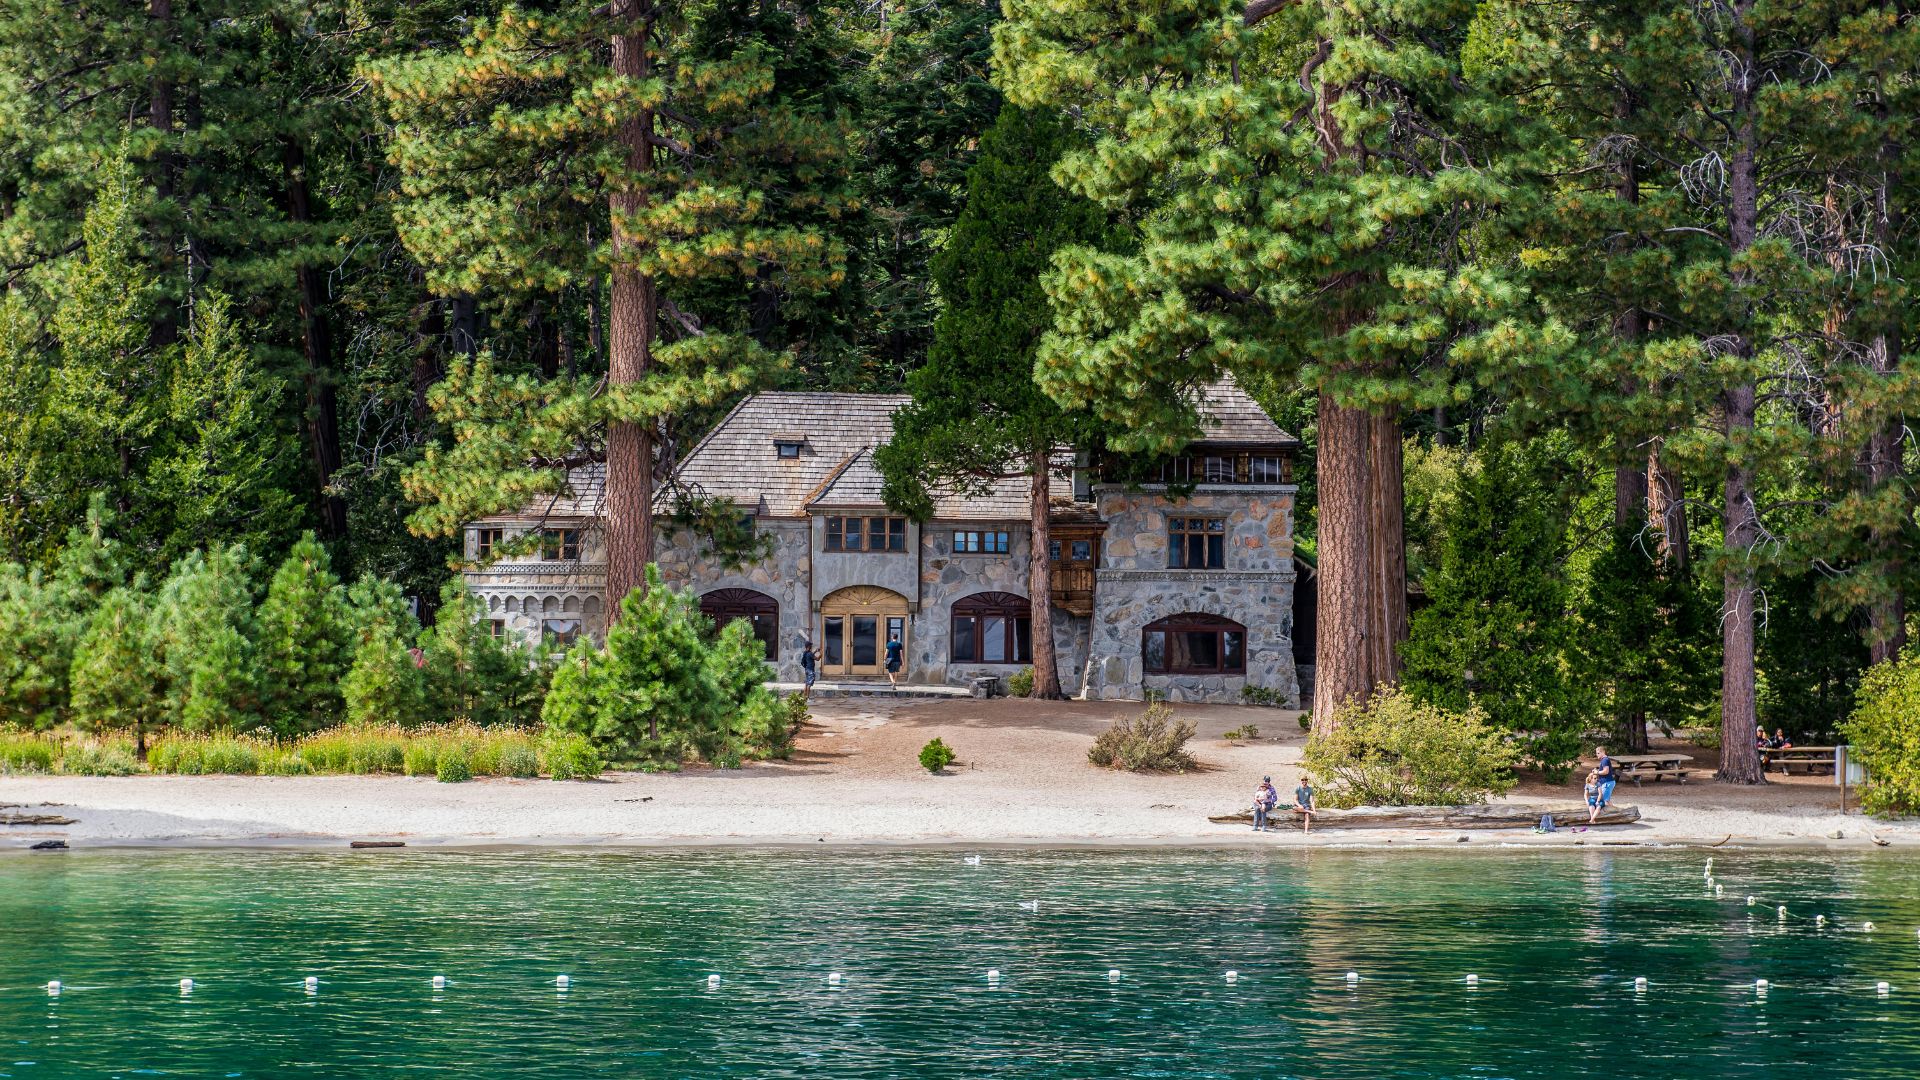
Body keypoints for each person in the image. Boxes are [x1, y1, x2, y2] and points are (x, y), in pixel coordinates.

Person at [1590, 746, 1617, 823]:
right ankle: (1616, 813)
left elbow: (1606, 771)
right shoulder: (1605, 760)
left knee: (1604, 801)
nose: (1597, 755)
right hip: (1607, 783)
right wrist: (1597, 770)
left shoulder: (1605, 760)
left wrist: (1597, 772)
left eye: (1598, 753)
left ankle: (1616, 814)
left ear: (1603, 752)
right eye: (1596, 753)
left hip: (1607, 783)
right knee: (1606, 800)